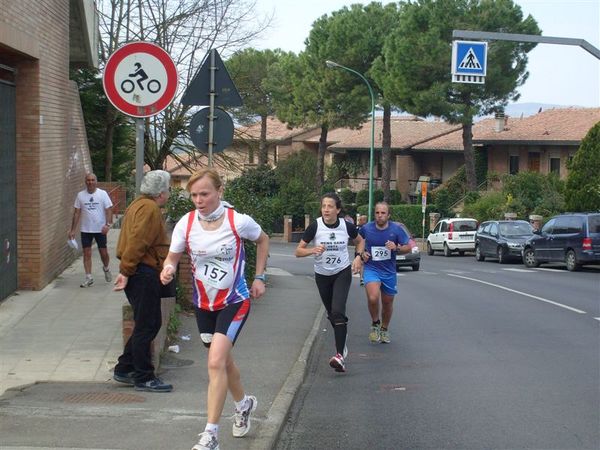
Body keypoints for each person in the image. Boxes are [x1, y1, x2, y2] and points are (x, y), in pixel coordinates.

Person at [159, 168, 269, 450]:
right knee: (223, 361)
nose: (198, 199)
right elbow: (172, 257)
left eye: (204, 194)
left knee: (215, 362)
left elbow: (263, 239)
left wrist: (259, 277)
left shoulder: (237, 221)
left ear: (220, 192)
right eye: (194, 194)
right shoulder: (186, 223)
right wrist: (168, 269)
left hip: (235, 301)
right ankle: (243, 404)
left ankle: (211, 435)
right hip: (203, 304)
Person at [113, 170, 173, 393]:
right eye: (168, 188)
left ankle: (125, 367)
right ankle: (144, 376)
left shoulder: (137, 205)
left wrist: (127, 270)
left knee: (147, 323)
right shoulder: (150, 209)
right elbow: (138, 241)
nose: (169, 192)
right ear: (160, 192)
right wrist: (127, 271)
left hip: (138, 271)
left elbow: (131, 239)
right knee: (148, 324)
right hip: (143, 272)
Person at [295, 193, 364, 373]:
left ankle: (339, 355)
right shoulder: (315, 226)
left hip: (342, 272)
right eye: (324, 206)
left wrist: (357, 258)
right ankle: (342, 337)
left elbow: (360, 241)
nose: (326, 209)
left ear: (338, 210)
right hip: (322, 275)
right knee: (332, 315)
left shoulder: (346, 226)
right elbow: (298, 251)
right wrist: (312, 250)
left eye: (330, 206)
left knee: (338, 312)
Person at [359, 202, 411, 344]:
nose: (380, 216)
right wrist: (362, 253)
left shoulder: (396, 229)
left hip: (388, 271)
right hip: (371, 268)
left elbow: (409, 248)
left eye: (383, 213)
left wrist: (396, 248)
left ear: (388, 215)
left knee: (387, 303)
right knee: (373, 297)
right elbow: (359, 241)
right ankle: (375, 323)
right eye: (377, 213)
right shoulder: (366, 228)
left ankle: (384, 329)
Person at [69, 173, 113, 287]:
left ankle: (106, 268)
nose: (90, 182)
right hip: (86, 230)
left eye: (93, 180)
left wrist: (107, 225)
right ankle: (89, 277)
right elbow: (76, 213)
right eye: (88, 180)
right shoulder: (80, 195)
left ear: (96, 181)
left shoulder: (102, 194)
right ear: (85, 182)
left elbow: (109, 210)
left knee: (103, 253)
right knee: (86, 253)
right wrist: (72, 230)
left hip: (100, 229)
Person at [356, 215, 368, 286]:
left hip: (367, 248)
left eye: (361, 220)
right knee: (361, 263)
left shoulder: (368, 228)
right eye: (359, 220)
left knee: (365, 263)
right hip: (359, 249)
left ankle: (365, 277)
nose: (359, 221)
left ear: (365, 221)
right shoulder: (357, 228)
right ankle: (362, 278)